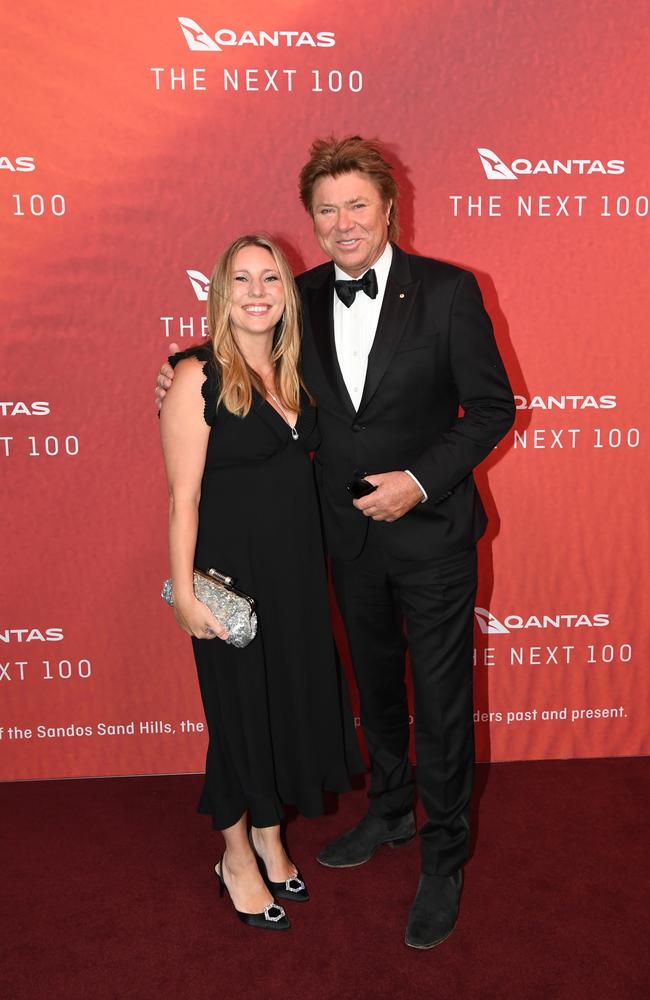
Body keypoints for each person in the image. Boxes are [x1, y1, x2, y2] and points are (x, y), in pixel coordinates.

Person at [157, 136, 515, 949]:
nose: (344, 221)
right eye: (327, 209)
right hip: (340, 544)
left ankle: (443, 854)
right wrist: (177, 371)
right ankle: (390, 812)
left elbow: (492, 410)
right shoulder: (300, 295)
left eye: (358, 204)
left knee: (443, 701)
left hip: (430, 539)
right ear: (311, 222)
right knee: (378, 694)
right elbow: (239, 357)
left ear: (390, 207)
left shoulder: (452, 293)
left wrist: (418, 481)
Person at [159, 233, 362, 932]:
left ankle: (273, 836)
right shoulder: (196, 375)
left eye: (270, 279)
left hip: (299, 572)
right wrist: (184, 593)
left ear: (286, 294)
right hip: (230, 579)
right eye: (240, 279)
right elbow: (181, 498)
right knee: (240, 718)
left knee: (287, 706)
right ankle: (235, 855)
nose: (255, 292)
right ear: (220, 292)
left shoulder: (300, 370)